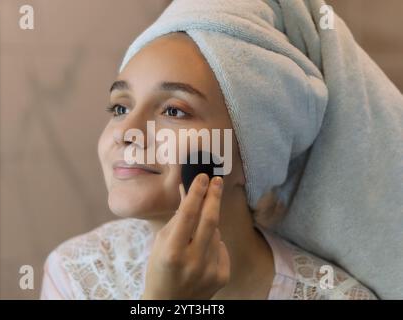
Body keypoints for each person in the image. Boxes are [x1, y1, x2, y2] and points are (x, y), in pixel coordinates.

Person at [40, 29, 377, 300]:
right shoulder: (77, 271)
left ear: (250, 156)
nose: (127, 133)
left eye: (173, 111)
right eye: (120, 108)